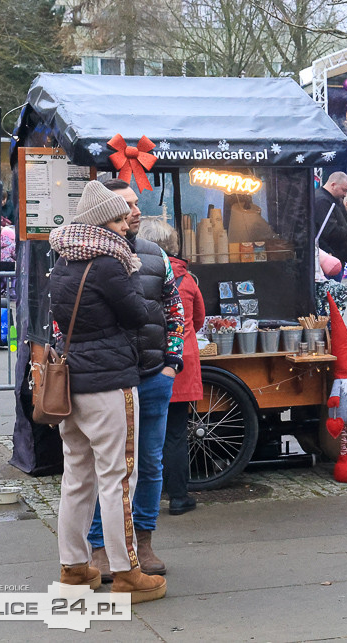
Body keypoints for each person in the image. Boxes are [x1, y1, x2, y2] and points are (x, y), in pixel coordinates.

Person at [48, 180, 165, 601]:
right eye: (118, 218)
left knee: (76, 476)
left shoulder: (63, 259)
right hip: (110, 381)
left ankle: (74, 566)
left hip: (72, 379)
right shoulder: (110, 262)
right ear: (101, 222)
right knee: (118, 477)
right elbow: (135, 314)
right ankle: (126, 570)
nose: (125, 225)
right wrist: (146, 297)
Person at [88, 179, 185, 583]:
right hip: (109, 379)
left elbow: (176, 311)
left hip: (152, 376)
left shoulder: (155, 255)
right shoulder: (86, 255)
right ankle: (100, 547)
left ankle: (143, 542)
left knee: (149, 461)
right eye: (126, 204)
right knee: (106, 466)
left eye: (136, 202)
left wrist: (170, 364)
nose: (135, 210)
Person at [138, 218, 203, 517]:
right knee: (176, 433)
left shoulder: (137, 274)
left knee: (143, 433)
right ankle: (179, 496)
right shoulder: (187, 280)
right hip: (180, 364)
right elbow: (199, 319)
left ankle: (144, 492)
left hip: (148, 362)